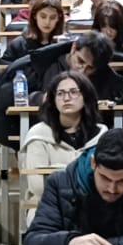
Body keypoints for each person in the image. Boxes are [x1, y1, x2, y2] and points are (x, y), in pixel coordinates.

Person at [20, 71, 106, 215]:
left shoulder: (100, 135)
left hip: (91, 205)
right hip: (49, 206)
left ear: (86, 96)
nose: (66, 98)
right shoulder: (39, 134)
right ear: (53, 99)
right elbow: (38, 187)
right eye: (60, 93)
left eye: (74, 92)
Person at [2, 0, 64, 65]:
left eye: (52, 17)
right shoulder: (18, 45)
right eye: (43, 16)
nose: (47, 22)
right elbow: (5, 69)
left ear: (58, 18)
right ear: (35, 16)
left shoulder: (64, 44)